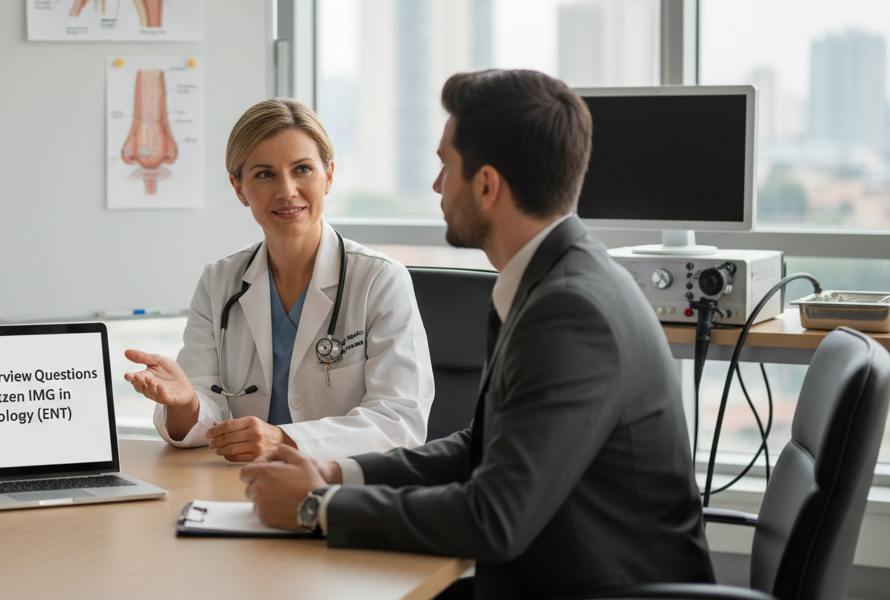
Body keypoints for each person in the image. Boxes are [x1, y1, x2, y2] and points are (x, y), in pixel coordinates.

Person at [239, 70, 714, 598]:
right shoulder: (557, 280)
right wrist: (334, 473)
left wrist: (316, 507)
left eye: (446, 166)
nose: (437, 185)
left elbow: (494, 518)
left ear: (486, 186)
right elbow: (483, 447)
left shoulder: (570, 312)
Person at [123, 98, 433, 461]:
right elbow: (202, 415)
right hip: (242, 484)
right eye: (265, 174)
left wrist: (284, 439)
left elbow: (399, 421)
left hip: (345, 490)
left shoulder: (379, 280)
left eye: (302, 169)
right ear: (239, 188)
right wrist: (187, 402)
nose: (287, 191)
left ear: (329, 175)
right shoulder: (219, 281)